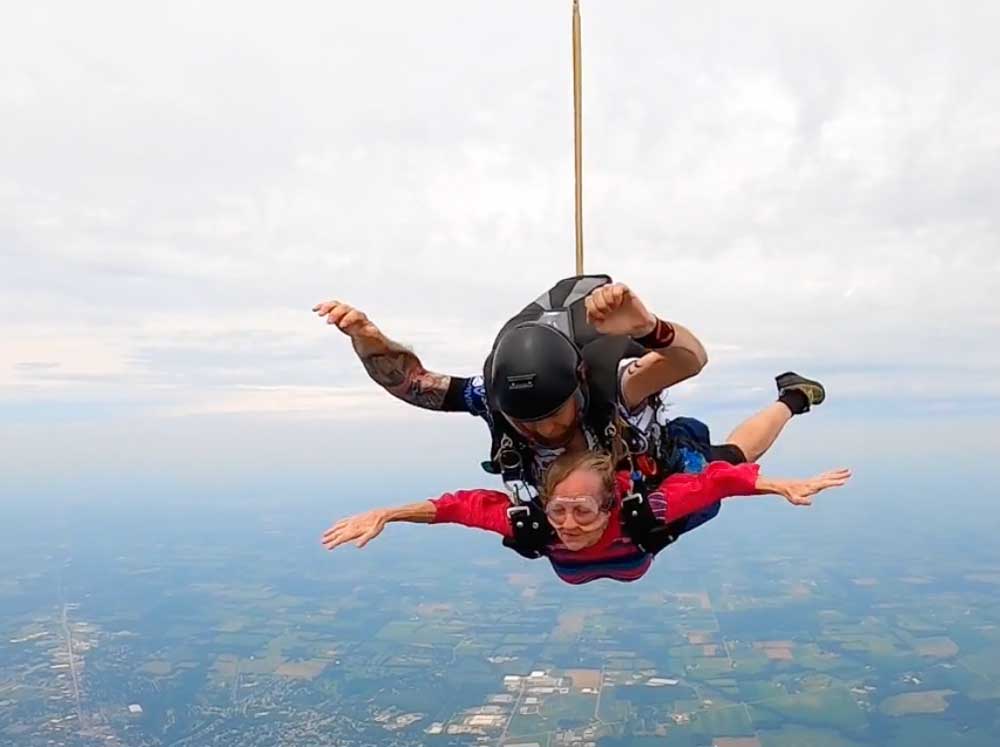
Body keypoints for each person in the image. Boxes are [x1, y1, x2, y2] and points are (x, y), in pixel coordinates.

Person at [312, 277, 825, 489]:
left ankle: (792, 397)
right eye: (525, 421)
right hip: (582, 504)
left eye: (553, 413)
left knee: (732, 462)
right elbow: (415, 386)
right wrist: (370, 341)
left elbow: (690, 360)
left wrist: (649, 330)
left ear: (580, 386)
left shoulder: (615, 387)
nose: (542, 429)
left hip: (658, 465)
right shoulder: (494, 398)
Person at [320, 449, 851, 585]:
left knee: (729, 453)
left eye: (582, 511)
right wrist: (388, 513)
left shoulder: (646, 511)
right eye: (559, 510)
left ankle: (790, 398)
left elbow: (719, 482)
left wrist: (781, 484)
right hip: (630, 549)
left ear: (610, 506)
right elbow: (456, 507)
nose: (568, 524)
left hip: (648, 537)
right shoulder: (532, 523)